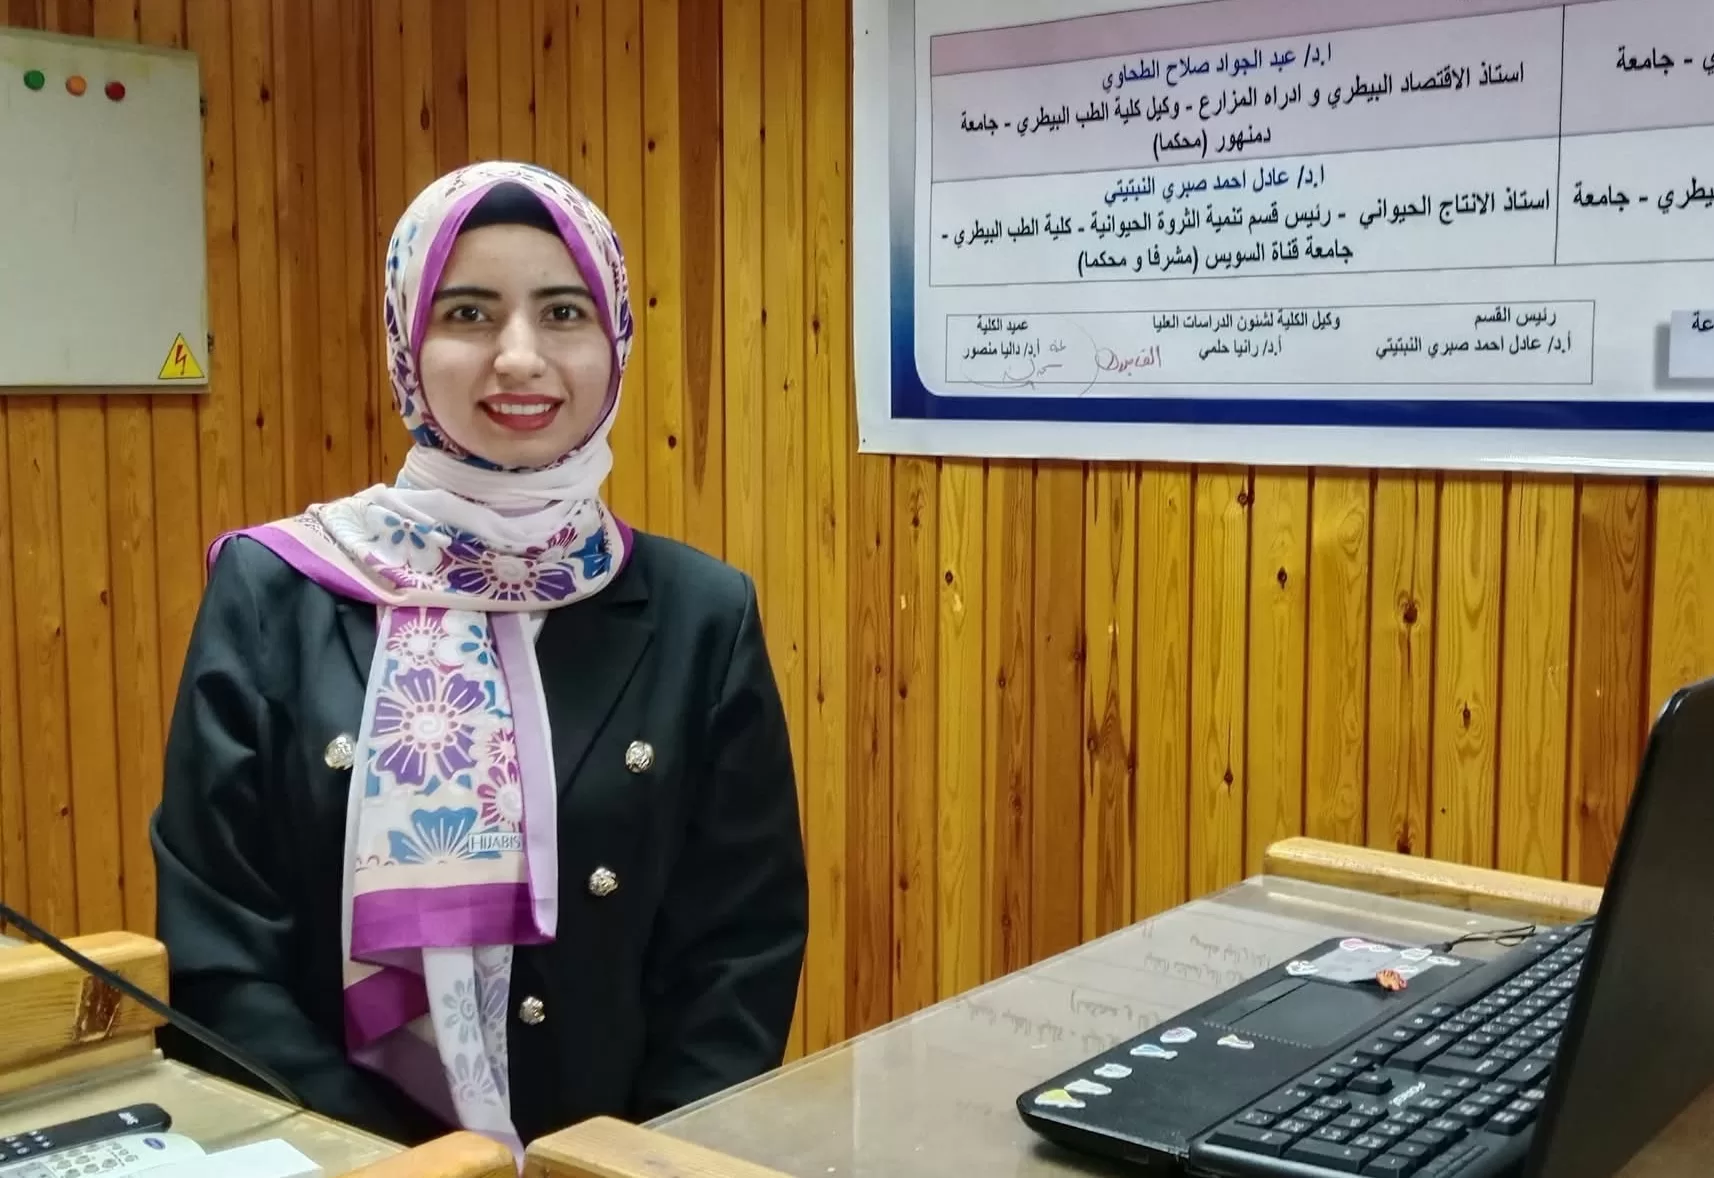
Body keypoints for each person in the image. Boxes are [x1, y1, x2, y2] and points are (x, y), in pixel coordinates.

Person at [150, 161, 808, 1158]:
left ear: (615, 340)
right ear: (407, 342)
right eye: (468, 313)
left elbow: (740, 950)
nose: (519, 356)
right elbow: (219, 953)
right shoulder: (274, 590)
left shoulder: (701, 613)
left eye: (563, 312)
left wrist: (627, 1165)